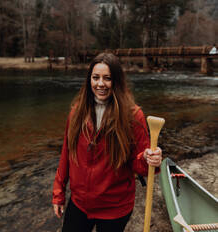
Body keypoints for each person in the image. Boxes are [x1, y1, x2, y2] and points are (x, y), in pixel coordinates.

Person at [52, 52, 162, 232]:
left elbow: (140, 167)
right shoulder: (76, 113)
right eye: (95, 78)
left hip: (115, 209)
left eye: (107, 78)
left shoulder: (133, 116)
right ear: (89, 80)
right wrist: (58, 193)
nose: (100, 84)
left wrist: (149, 159)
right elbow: (67, 154)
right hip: (79, 204)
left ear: (117, 82)